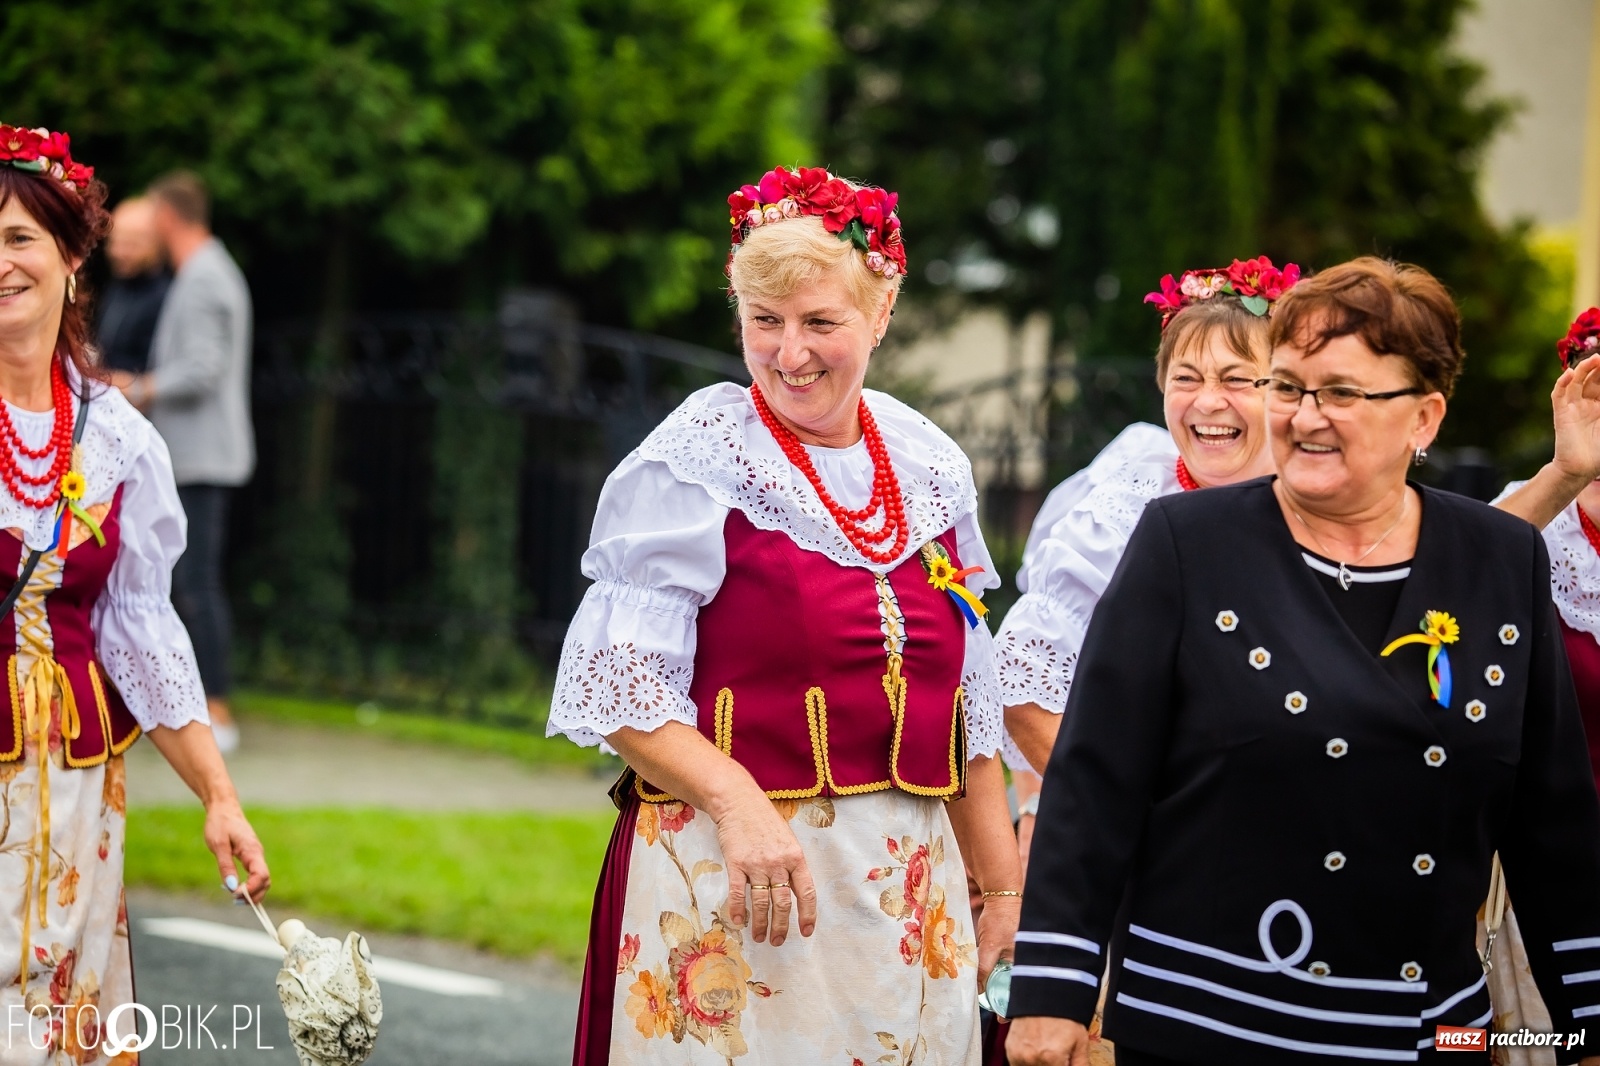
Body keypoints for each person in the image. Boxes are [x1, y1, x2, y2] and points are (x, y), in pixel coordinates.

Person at [1006, 257, 1600, 1066]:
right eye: (1287, 387)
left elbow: (1553, 823)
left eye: (1342, 393)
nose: (1305, 416)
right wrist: (1053, 994)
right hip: (1211, 1024)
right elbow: (1096, 779)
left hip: (1429, 1035)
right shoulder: (1186, 543)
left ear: (1424, 418)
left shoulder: (1502, 559)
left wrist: (1586, 1023)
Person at [549, 166, 1020, 1064]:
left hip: (905, 899)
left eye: (819, 323)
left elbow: (972, 715)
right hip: (740, 887)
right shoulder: (695, 461)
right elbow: (618, 688)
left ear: (881, 314)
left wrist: (1003, 897)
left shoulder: (927, 467)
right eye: (764, 322)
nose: (788, 353)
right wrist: (738, 805)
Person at [1001, 260, 1600, 777]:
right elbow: (1027, 693)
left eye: (1238, 380)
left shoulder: (1334, 494)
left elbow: (1459, 558)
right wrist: (1144, 825)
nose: (1208, 402)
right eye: (1186, 379)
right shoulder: (1131, 512)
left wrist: (1567, 472)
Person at [0, 124, 269, 1062]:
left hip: (76, 791)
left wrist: (218, 796)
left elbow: (139, 631)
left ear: (74, 256)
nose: (2, 263)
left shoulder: (115, 440)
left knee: (60, 1009)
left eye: (20, 237)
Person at [119, 170, 254, 753]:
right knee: (188, 584)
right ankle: (202, 707)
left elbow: (203, 369)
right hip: (199, 457)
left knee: (196, 587)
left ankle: (217, 711)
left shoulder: (202, 279)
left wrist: (138, 387)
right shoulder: (206, 271)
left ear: (168, 217)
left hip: (200, 459)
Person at [94, 197, 170, 375]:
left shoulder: (166, 297)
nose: (119, 253)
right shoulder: (117, 288)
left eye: (131, 244)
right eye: (115, 243)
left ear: (155, 244)